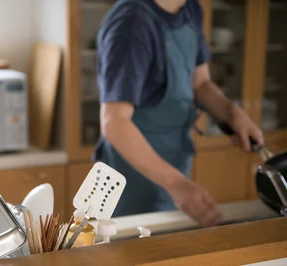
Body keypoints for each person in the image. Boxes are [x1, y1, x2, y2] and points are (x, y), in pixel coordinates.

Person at [93, 0, 264, 227]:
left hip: (171, 170)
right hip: (128, 184)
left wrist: (233, 114)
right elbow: (114, 122)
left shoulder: (189, 9)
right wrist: (176, 184)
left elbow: (200, 82)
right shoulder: (131, 24)